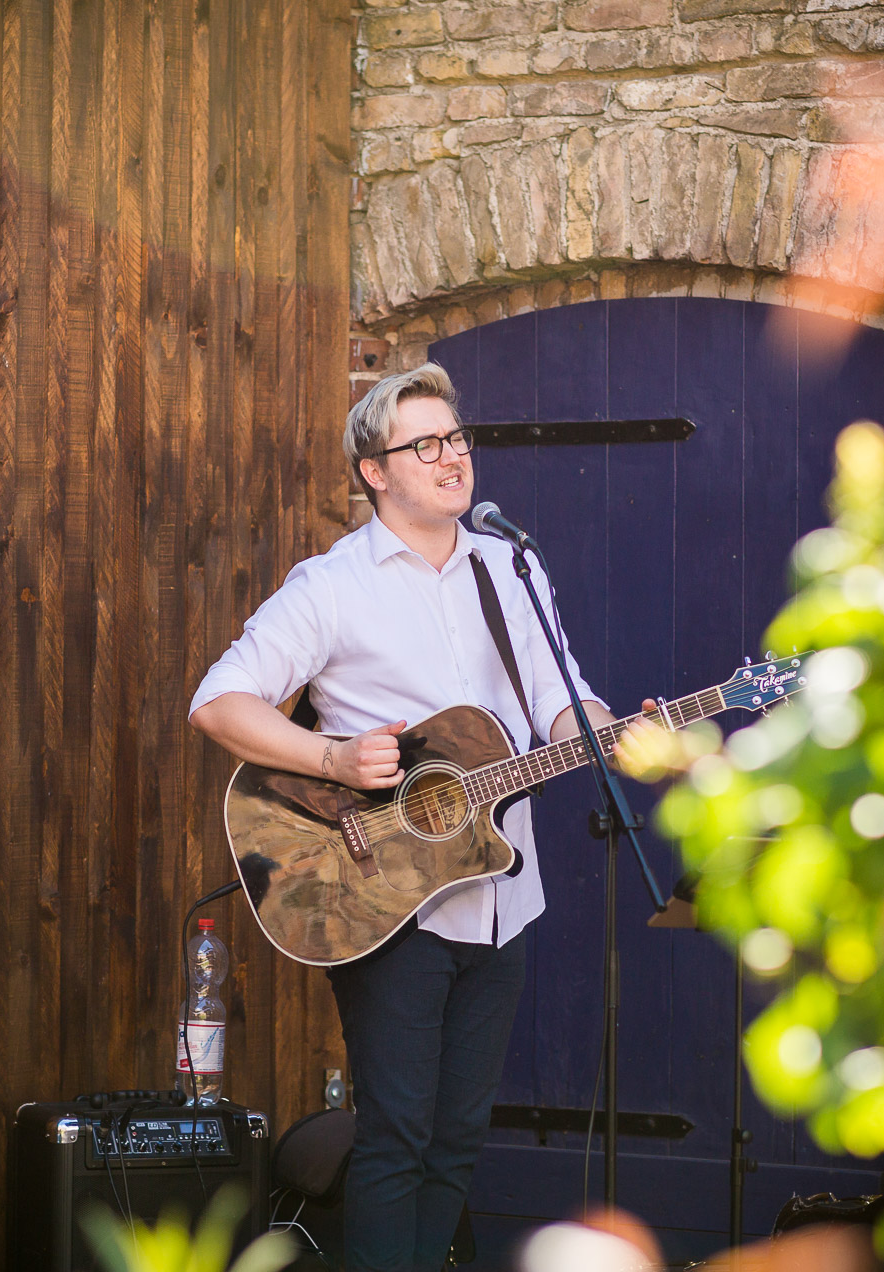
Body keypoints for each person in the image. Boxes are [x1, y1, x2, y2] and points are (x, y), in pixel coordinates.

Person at [189, 362, 625, 1272]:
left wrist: (610, 733)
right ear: (374, 472)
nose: (450, 457)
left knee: (457, 1141)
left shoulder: (512, 565)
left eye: (457, 439)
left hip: (502, 892)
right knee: (395, 1140)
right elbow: (219, 702)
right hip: (381, 892)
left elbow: (558, 696)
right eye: (423, 444)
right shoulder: (332, 585)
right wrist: (333, 757)